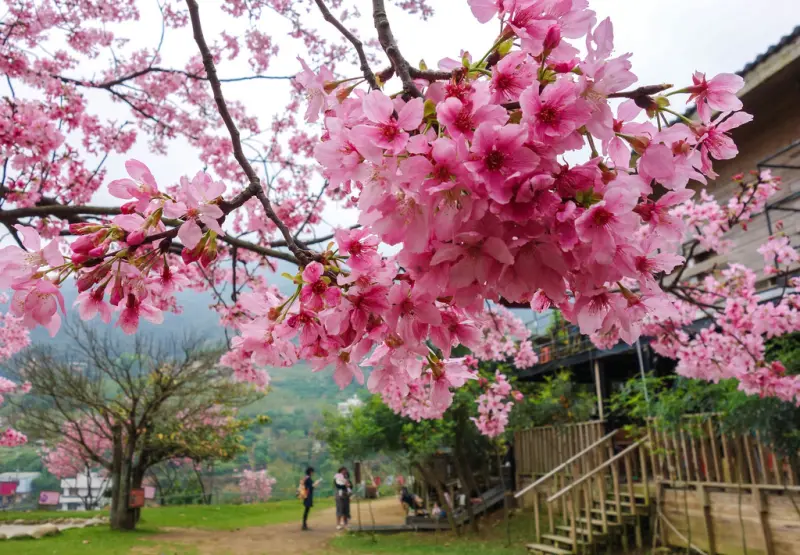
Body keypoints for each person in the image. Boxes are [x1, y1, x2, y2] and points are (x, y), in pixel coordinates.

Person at [301, 466, 321, 531]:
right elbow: (310, 487)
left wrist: (314, 485)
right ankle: (304, 525)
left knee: (307, 509)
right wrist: (316, 483)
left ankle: (304, 524)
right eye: (312, 472)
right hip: (308, 495)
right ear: (310, 472)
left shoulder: (305, 478)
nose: (313, 473)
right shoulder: (308, 479)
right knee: (307, 509)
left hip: (306, 495)